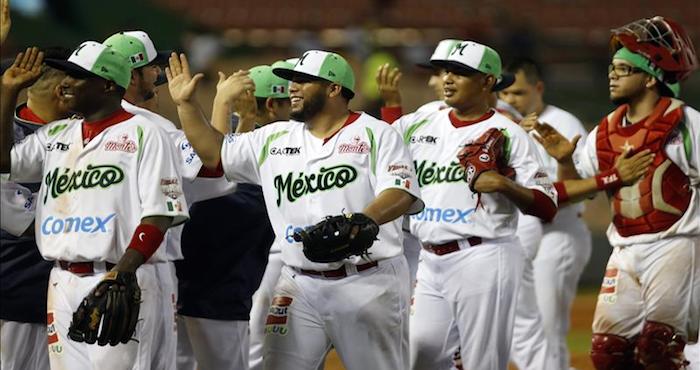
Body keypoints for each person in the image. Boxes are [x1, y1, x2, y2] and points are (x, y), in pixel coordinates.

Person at [166, 50, 423, 370]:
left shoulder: (376, 133)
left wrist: (363, 220)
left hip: (368, 281)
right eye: (291, 81)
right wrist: (186, 105)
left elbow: (400, 190)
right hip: (298, 283)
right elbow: (214, 154)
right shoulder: (273, 137)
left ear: (333, 88)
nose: (293, 87)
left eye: (303, 81)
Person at [0, 42, 189, 370]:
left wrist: (122, 274)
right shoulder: (56, 134)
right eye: (68, 75)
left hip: (119, 275)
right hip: (61, 280)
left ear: (107, 85)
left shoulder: (147, 133)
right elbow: (4, 163)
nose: (66, 83)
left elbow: (161, 213)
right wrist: (7, 94)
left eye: (78, 77)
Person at [533, 15, 699, 369]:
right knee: (607, 354)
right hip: (624, 248)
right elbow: (571, 193)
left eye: (624, 68)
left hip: (678, 245)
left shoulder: (685, 123)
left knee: (660, 349)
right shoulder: (604, 132)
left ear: (651, 77)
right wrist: (565, 162)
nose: (613, 74)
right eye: (613, 67)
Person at [377, 39, 553, 370]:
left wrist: (503, 183)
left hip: (484, 255)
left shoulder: (508, 132)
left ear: (488, 81)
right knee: (421, 352)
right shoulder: (423, 121)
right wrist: (390, 106)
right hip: (430, 259)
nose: (447, 79)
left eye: (460, 72)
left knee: (481, 362)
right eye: (445, 72)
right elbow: (385, 156)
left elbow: (546, 206)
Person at [176, 62, 288, 370]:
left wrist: (237, 117)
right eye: (288, 99)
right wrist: (225, 108)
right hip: (221, 295)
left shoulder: (186, 140)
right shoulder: (279, 153)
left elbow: (219, 162)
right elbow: (218, 172)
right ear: (272, 104)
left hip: (180, 287)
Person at [499, 57, 592, 369]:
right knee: (524, 330)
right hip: (522, 233)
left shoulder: (564, 124)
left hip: (560, 232)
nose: (510, 99)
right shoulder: (503, 126)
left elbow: (582, 187)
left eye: (518, 93)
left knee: (547, 329)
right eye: (505, 94)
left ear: (538, 88)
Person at [0, 46, 71, 370]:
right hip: (15, 296)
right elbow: (25, 222)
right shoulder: (9, 136)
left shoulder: (84, 135)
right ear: (63, 89)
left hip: (66, 298)